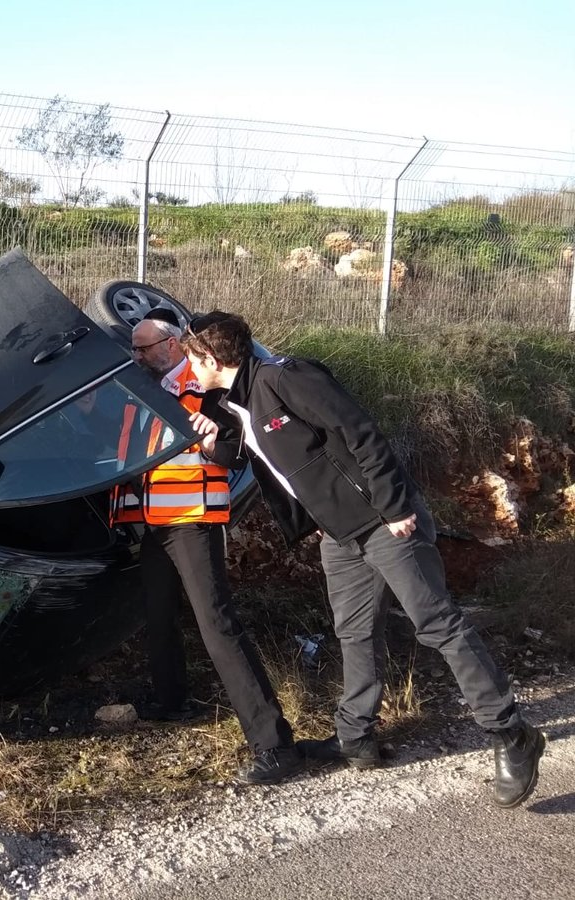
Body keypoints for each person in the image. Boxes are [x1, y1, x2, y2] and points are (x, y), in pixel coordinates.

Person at [179, 310, 545, 808]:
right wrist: (211, 442)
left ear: (210, 358)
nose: (190, 372)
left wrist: (395, 506)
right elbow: (251, 456)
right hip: (340, 533)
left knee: (438, 625)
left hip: (384, 520)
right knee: (354, 632)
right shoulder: (236, 402)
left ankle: (511, 733)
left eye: (192, 361)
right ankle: (355, 738)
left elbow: (362, 432)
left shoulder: (287, 377)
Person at [111, 310, 303, 785]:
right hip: (153, 522)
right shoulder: (141, 392)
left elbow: (236, 449)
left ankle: (274, 744)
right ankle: (171, 701)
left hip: (192, 522)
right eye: (134, 348)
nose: (137, 355)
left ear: (173, 345)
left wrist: (210, 439)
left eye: (145, 347)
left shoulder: (208, 389)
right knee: (157, 615)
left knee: (217, 626)